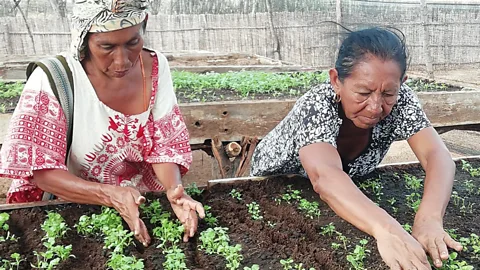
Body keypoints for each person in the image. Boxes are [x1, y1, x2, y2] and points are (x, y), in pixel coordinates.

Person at [250, 27, 462, 269]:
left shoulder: (403, 100)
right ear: (336, 81)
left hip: (342, 188)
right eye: (363, 92)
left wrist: (429, 219)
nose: (375, 106)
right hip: (273, 187)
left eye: (388, 94)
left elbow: (438, 156)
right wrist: (387, 229)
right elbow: (324, 176)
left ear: (401, 84)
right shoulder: (317, 104)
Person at [0, 0, 204, 247]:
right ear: (83, 39)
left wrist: (174, 190)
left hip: (141, 202)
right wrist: (110, 195)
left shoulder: (155, 67)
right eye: (106, 47)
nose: (122, 61)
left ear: (144, 26)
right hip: (73, 206)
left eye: (132, 43)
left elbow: (163, 145)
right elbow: (42, 173)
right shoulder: (55, 78)